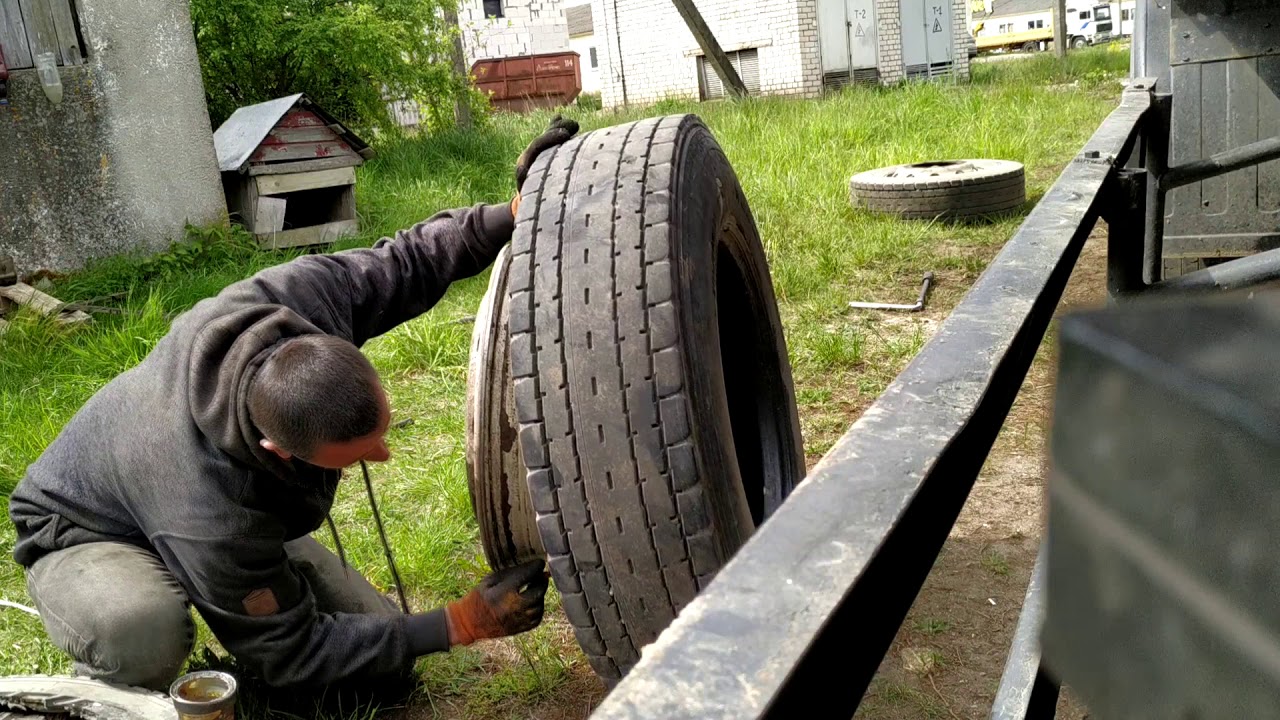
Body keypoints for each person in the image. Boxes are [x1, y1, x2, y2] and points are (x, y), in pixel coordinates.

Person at [7, 117, 581, 692]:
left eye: (377, 434)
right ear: (275, 449)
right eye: (358, 454)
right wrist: (458, 623)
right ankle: (114, 675)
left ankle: (224, 583)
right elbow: (289, 651)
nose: (383, 456)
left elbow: (408, 261)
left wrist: (509, 215)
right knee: (141, 633)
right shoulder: (212, 511)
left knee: (381, 672)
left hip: (205, 512)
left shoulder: (300, 301)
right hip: (86, 527)